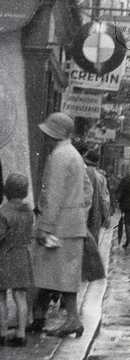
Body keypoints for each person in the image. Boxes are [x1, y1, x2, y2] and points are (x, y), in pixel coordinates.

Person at [31, 111, 92, 337]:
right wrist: (78, 211)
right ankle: (53, 318)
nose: (45, 136)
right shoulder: (74, 154)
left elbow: (53, 195)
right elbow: (87, 190)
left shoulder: (59, 156)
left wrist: (44, 227)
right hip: (71, 224)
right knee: (61, 275)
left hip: (58, 227)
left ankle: (63, 320)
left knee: (49, 273)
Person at [0, 173, 35, 345]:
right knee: (20, 296)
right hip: (22, 256)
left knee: (1, 297)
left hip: (5, 257)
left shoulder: (3, 212)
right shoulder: (29, 212)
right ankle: (21, 334)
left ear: (7, 191)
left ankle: (2, 332)